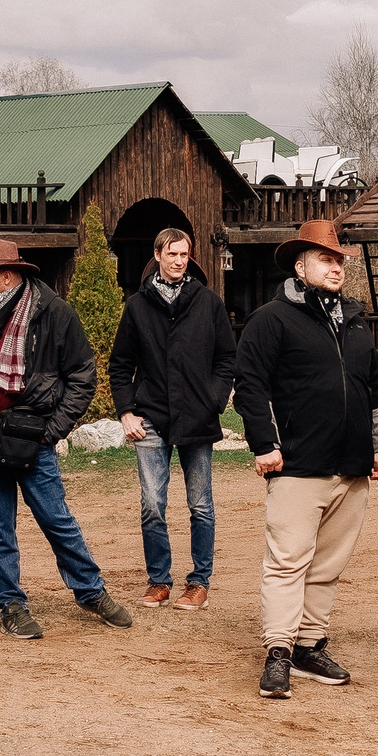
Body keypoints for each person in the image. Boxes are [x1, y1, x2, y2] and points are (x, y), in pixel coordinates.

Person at [232, 219, 378, 700]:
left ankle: (309, 645)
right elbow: (250, 386)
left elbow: (372, 390)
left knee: (327, 565)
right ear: (300, 267)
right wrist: (265, 444)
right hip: (298, 466)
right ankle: (279, 652)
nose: (336, 266)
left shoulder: (355, 320)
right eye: (326, 259)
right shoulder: (271, 319)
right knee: (287, 563)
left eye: (340, 259)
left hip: (352, 466)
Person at [0, 236, 133, 637]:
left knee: (55, 518)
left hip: (33, 434)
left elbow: (82, 377)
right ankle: (10, 602)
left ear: (7, 276)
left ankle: (91, 591)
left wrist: (51, 431)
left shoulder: (53, 312)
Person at [107, 227, 234, 610]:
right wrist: (126, 411)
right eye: (173, 254)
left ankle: (199, 583)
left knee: (200, 504)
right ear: (158, 255)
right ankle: (159, 581)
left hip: (197, 416)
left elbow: (227, 359)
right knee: (152, 504)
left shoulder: (208, 302)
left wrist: (214, 400)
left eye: (184, 254)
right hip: (151, 417)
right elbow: (120, 364)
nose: (179, 261)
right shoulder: (137, 306)